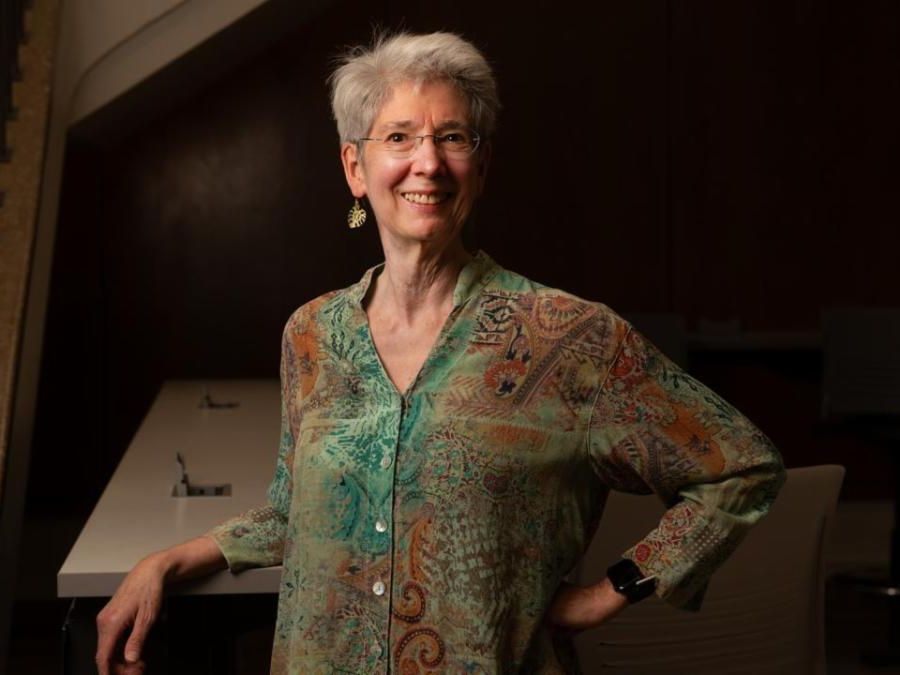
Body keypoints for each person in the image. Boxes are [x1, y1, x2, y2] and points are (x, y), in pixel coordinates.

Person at [95, 31, 785, 675]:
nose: (428, 161)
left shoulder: (570, 336)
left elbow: (740, 466)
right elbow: (293, 511)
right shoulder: (312, 333)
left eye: (452, 137)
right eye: (399, 137)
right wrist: (167, 560)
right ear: (355, 167)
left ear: (480, 167)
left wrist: (614, 588)